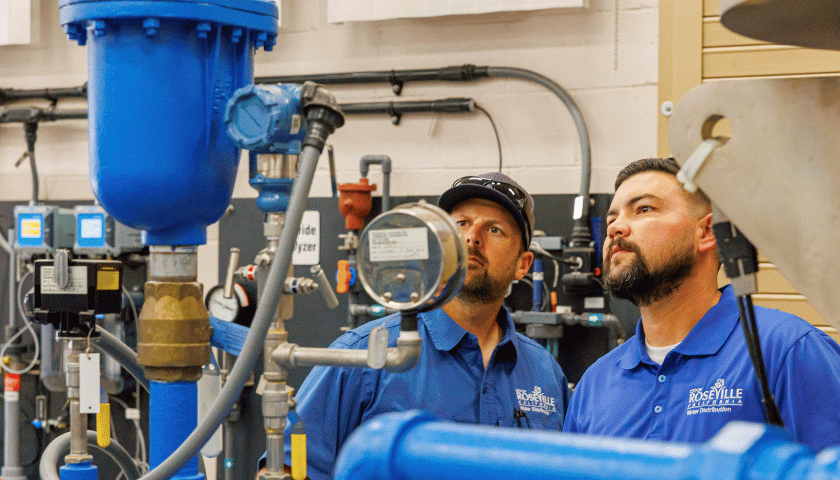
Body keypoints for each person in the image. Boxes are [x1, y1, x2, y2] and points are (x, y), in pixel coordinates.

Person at [286, 172, 568, 479]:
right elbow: (294, 461)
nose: (473, 237)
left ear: (522, 265)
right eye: (460, 224)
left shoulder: (545, 373)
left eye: (495, 229)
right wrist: (293, 470)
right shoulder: (361, 356)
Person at [562, 158, 840, 450]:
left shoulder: (786, 350)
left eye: (644, 209)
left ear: (707, 232)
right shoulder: (594, 385)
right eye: (612, 218)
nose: (616, 229)